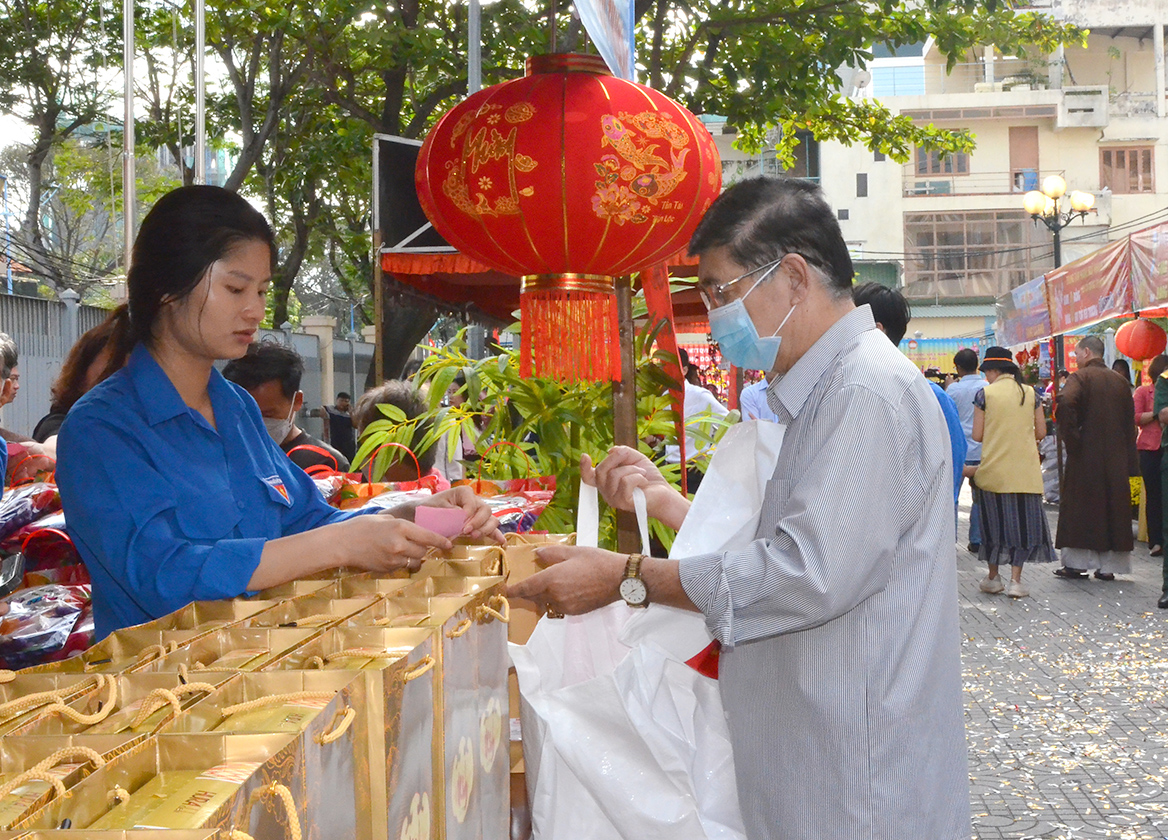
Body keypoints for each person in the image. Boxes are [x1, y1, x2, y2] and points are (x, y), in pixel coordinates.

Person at [510, 177, 970, 840]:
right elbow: (776, 539)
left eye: (723, 293)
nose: (719, 317)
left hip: (854, 775)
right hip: (813, 748)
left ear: (792, 276)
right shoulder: (819, 392)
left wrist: (626, 577)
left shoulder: (863, 393)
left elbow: (804, 572)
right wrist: (663, 504)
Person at [55, 185, 500, 639]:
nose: (254, 310)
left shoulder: (236, 408)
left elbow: (307, 522)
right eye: (235, 288)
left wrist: (413, 515)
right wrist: (335, 544)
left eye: (263, 291)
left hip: (269, 667)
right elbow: (161, 577)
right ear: (165, 288)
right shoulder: (101, 430)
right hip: (167, 687)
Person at [851, 282, 966, 507]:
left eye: (849, 323)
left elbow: (950, 474)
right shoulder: (855, 389)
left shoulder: (931, 398)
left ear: (877, 330)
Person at [969, 346, 1056, 598]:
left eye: (987, 371)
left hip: (993, 472)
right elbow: (1041, 432)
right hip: (1025, 475)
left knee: (993, 527)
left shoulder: (984, 394)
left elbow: (977, 435)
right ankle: (1016, 581)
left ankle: (993, 578)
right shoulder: (1031, 394)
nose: (986, 376)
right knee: (1021, 528)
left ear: (994, 370)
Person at [1053, 335, 1139, 581]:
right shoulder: (1120, 382)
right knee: (1113, 508)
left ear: (1087, 352)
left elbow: (1066, 401)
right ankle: (1109, 566)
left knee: (1081, 508)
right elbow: (1129, 423)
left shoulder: (1079, 377)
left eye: (1077, 354)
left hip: (1085, 455)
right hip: (1115, 457)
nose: (1076, 359)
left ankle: (1077, 564)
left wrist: (1072, 437)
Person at [223, 342, 351, 473]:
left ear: (297, 401)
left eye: (267, 415)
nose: (255, 424)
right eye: (245, 415)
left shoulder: (326, 464)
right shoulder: (222, 456)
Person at [32, 312, 126, 447]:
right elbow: (57, 442)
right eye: (107, 377)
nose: (121, 388)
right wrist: (48, 452)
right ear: (80, 377)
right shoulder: (62, 423)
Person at [352, 380, 450, 489]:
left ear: (393, 451)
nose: (364, 460)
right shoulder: (438, 490)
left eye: (366, 447)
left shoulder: (428, 503)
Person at [664, 347, 731, 491]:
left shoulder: (699, 395)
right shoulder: (663, 398)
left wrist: (711, 453)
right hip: (669, 468)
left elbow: (729, 422)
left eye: (673, 367)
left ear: (684, 370)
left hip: (694, 470)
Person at [946, 348, 985, 551]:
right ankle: (977, 539)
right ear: (977, 365)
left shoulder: (953, 390)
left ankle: (949, 538)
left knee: (952, 495)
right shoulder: (987, 387)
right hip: (981, 449)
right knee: (979, 500)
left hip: (959, 450)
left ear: (958, 368)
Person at [1134, 354, 1168, 558]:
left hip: (1165, 448)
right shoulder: (1143, 392)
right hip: (1149, 449)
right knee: (1154, 495)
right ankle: (1156, 540)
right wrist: (1157, 414)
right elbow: (1137, 417)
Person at [322, 392, 357, 463]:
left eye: (346, 401)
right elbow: (321, 410)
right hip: (334, 441)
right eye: (341, 401)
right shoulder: (330, 409)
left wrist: (351, 413)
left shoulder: (350, 413)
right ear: (337, 400)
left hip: (348, 443)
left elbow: (355, 425)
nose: (343, 403)